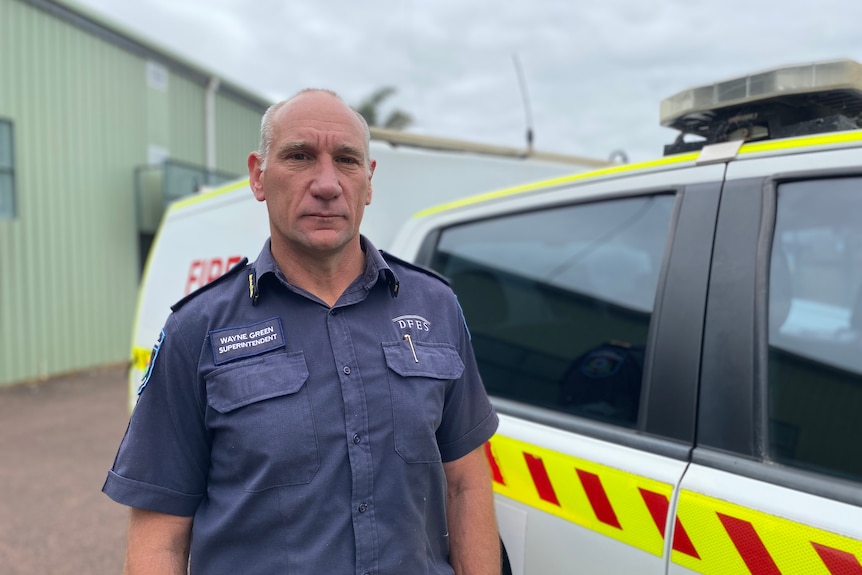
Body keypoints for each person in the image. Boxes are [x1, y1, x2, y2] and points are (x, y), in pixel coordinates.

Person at [103, 88, 501, 575]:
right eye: (300, 156)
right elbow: (159, 537)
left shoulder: (435, 306)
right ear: (258, 176)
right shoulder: (196, 330)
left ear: (369, 182)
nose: (328, 184)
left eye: (347, 161)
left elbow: (467, 484)